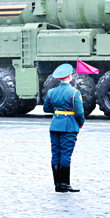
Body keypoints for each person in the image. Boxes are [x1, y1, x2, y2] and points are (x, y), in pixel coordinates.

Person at [43, 63, 85, 193]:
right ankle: (65, 184)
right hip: (69, 126)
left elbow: (46, 108)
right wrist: (81, 123)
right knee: (66, 154)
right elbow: (79, 113)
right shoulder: (74, 92)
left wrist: (58, 110)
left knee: (56, 154)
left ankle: (57, 185)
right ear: (69, 76)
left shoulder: (51, 92)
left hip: (55, 125)